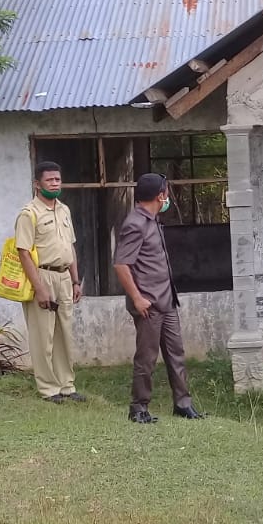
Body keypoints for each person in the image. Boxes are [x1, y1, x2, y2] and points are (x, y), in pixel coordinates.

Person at [113, 173, 204, 423]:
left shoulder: (153, 220)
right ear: (159, 195)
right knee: (147, 358)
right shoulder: (135, 223)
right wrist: (137, 298)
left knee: (176, 354)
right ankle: (139, 408)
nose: (168, 197)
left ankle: (183, 404)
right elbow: (121, 265)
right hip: (148, 305)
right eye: (166, 192)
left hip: (167, 301)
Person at [14, 161, 85, 403]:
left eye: (57, 180)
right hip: (42, 276)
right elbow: (23, 252)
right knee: (43, 335)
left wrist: (76, 280)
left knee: (64, 333)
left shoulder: (64, 210)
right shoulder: (28, 214)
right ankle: (48, 389)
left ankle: (67, 386)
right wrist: (39, 288)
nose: (55, 184)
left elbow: (71, 246)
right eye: (49, 180)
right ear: (37, 184)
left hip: (64, 277)